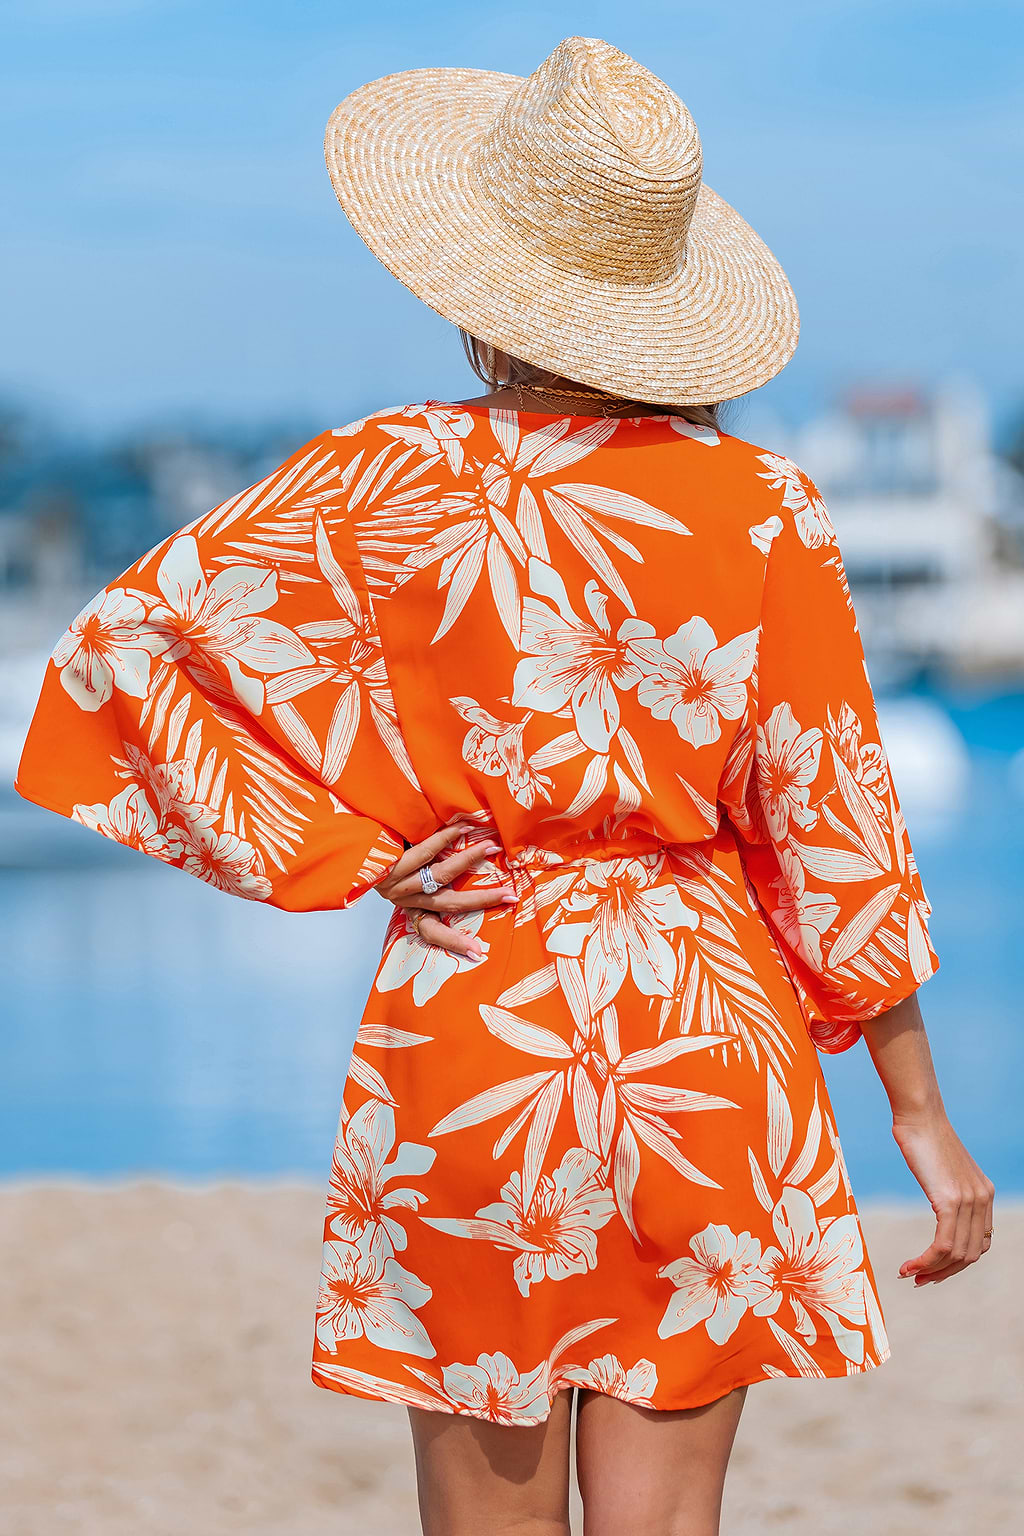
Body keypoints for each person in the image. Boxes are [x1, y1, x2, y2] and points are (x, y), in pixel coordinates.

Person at [15, 34, 993, 1536]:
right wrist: (920, 1116)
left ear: (481, 289)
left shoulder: (378, 476)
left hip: (481, 1011)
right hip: (701, 1028)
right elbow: (834, 820)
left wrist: (344, 848)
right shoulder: (763, 506)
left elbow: (123, 658)